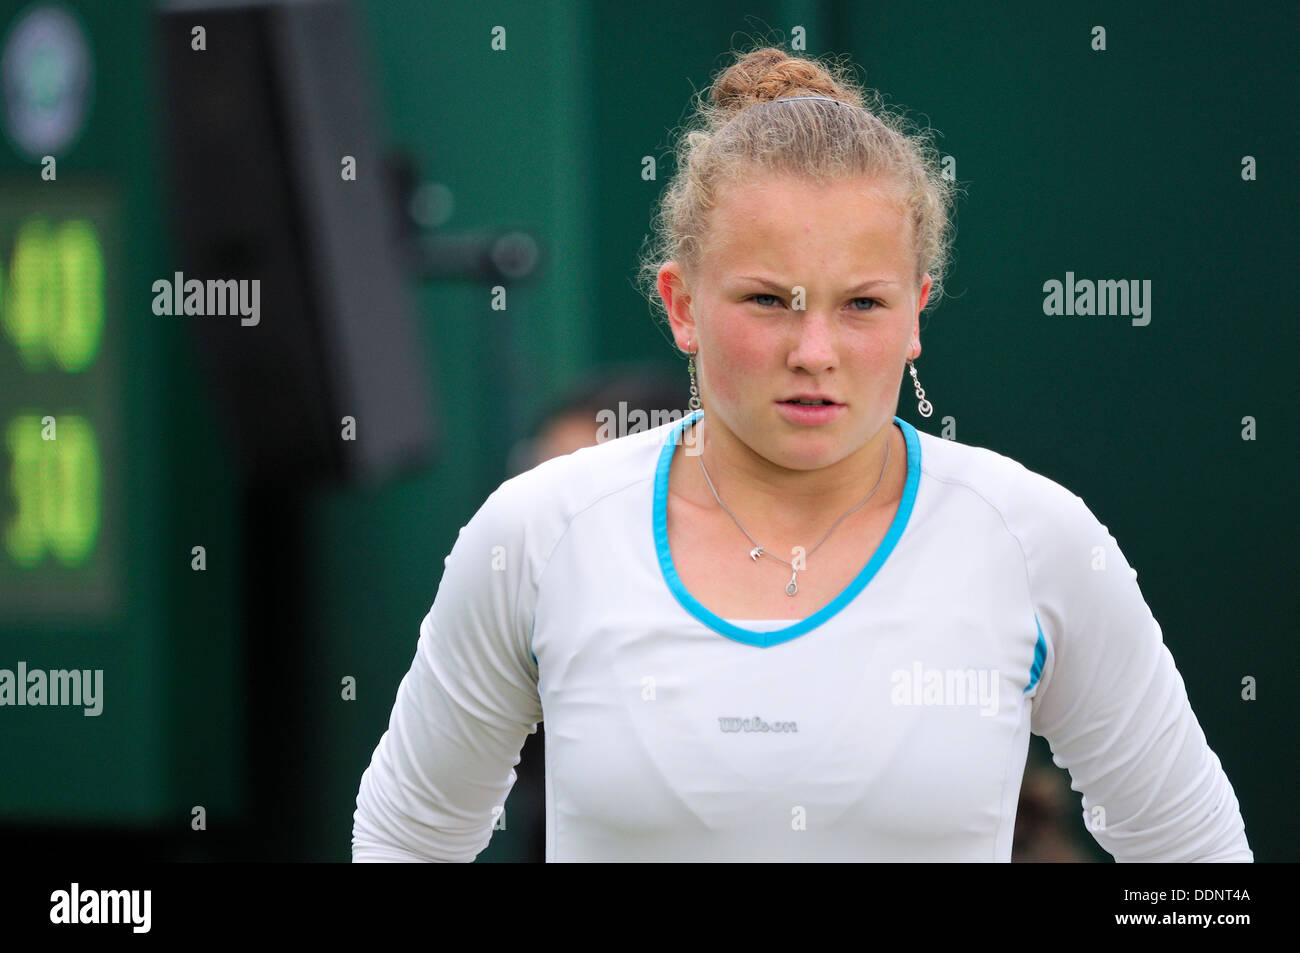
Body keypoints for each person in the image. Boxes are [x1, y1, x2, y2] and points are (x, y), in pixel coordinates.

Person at [352, 45, 1253, 862]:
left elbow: (1196, 862)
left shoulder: (1037, 538)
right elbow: (407, 838)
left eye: (861, 303)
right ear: (682, 306)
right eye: (768, 301)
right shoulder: (537, 531)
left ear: (916, 311)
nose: (814, 350)